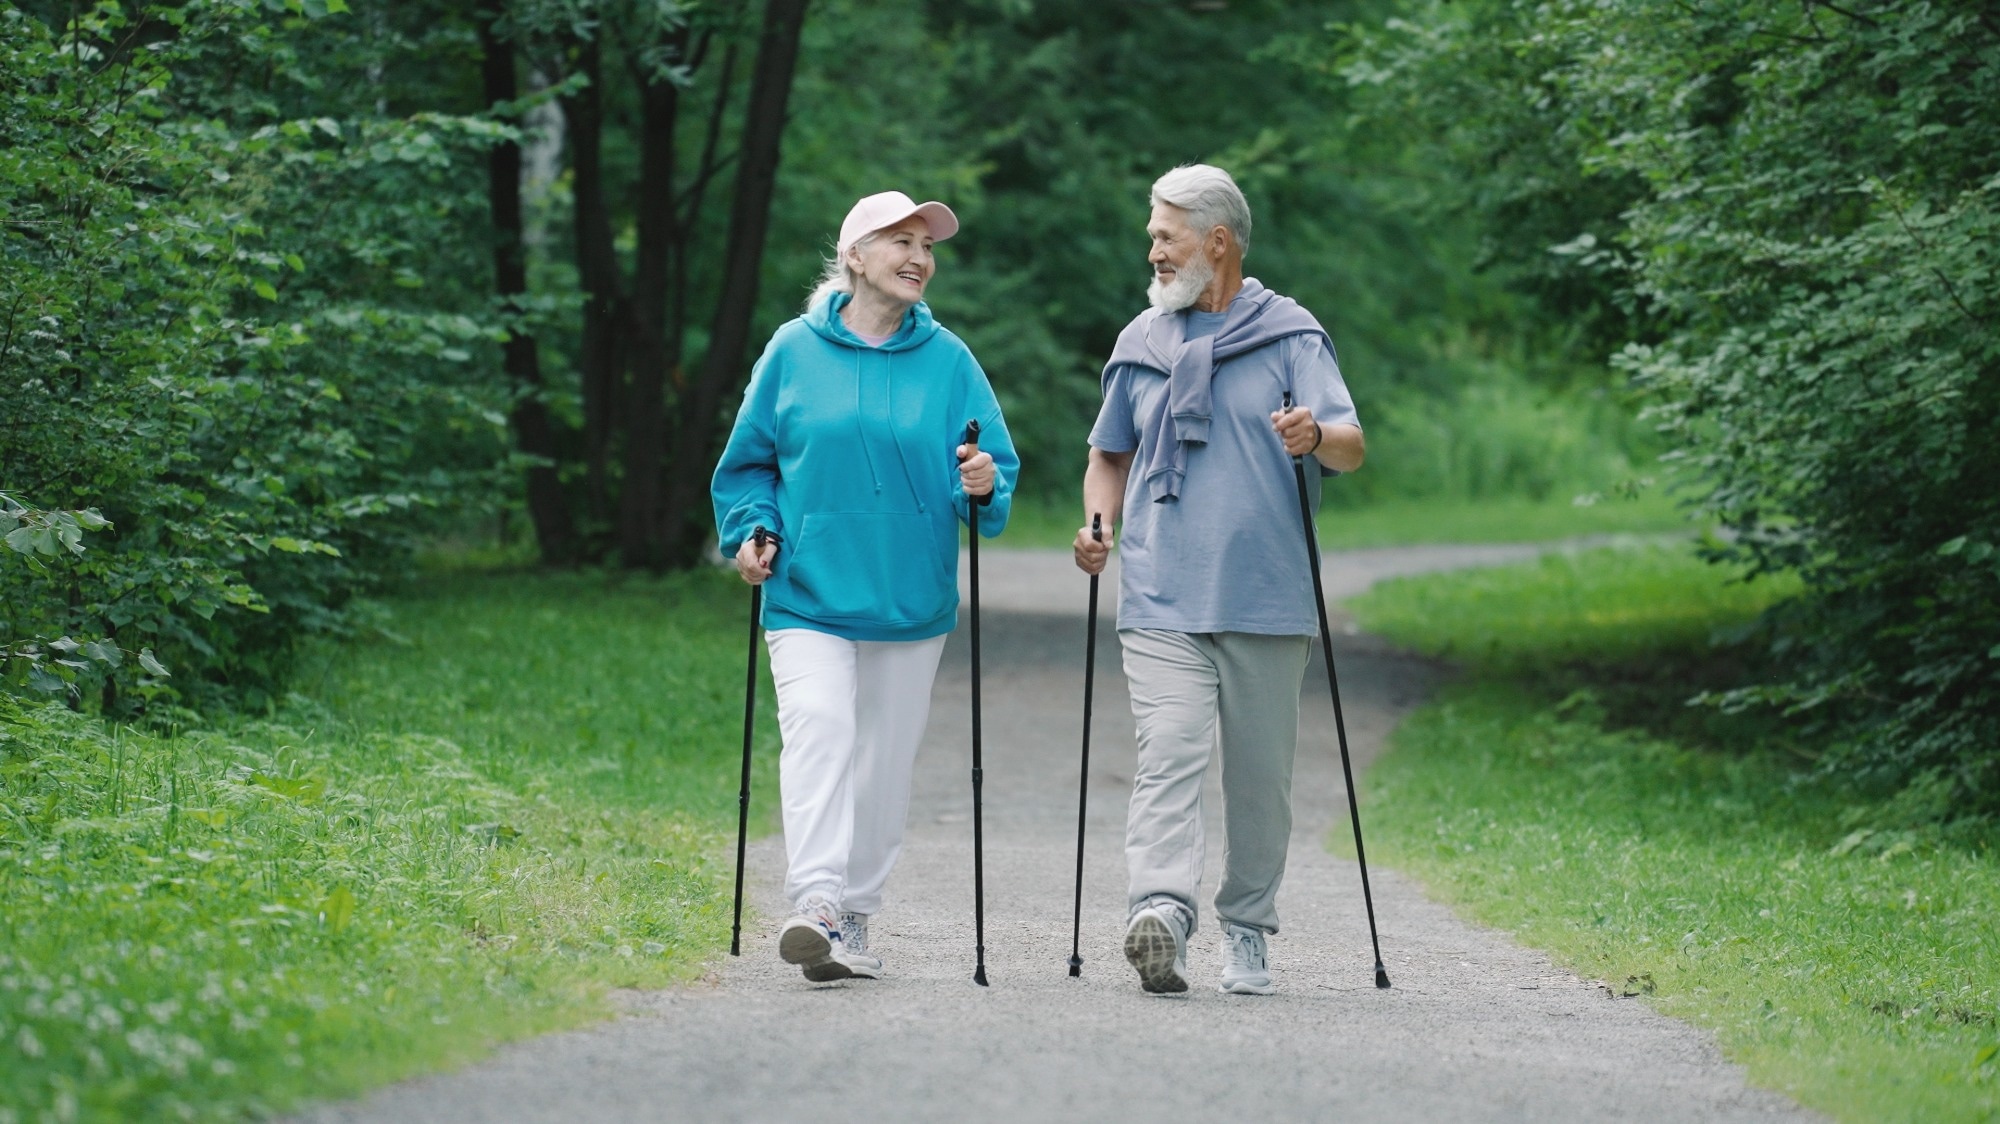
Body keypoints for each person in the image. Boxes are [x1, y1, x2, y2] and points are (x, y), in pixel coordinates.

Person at [711, 191, 1018, 983]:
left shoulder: (949, 361)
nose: (919, 257)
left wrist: (982, 482)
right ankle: (815, 903)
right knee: (819, 726)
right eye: (900, 241)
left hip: (908, 597)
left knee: (882, 764)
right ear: (853, 255)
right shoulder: (792, 350)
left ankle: (853, 914)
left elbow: (993, 474)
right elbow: (749, 464)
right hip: (807, 588)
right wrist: (752, 529)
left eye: (927, 246)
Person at [1073, 164, 1364, 996]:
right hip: (1160, 592)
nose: (1154, 252)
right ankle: (1161, 912)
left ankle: (1247, 927)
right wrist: (1098, 525)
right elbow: (1109, 455)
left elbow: (1351, 445)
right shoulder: (1142, 342)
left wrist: (1314, 436)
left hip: (1265, 595)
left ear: (1219, 242)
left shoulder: (1291, 337)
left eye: (1167, 237)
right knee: (1167, 752)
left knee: (1259, 783)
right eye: (1153, 238)